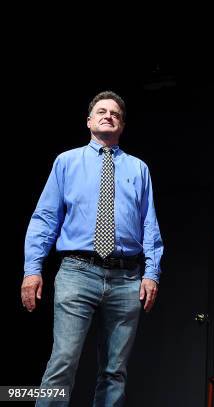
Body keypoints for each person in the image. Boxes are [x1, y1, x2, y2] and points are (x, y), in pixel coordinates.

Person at [21, 91, 164, 406]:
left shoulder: (139, 168)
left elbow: (149, 225)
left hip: (127, 278)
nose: (108, 115)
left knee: (115, 371)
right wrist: (32, 269)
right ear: (89, 121)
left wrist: (151, 273)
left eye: (115, 113)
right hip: (77, 272)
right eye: (102, 110)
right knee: (62, 363)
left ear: (122, 125)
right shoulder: (67, 161)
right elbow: (45, 218)